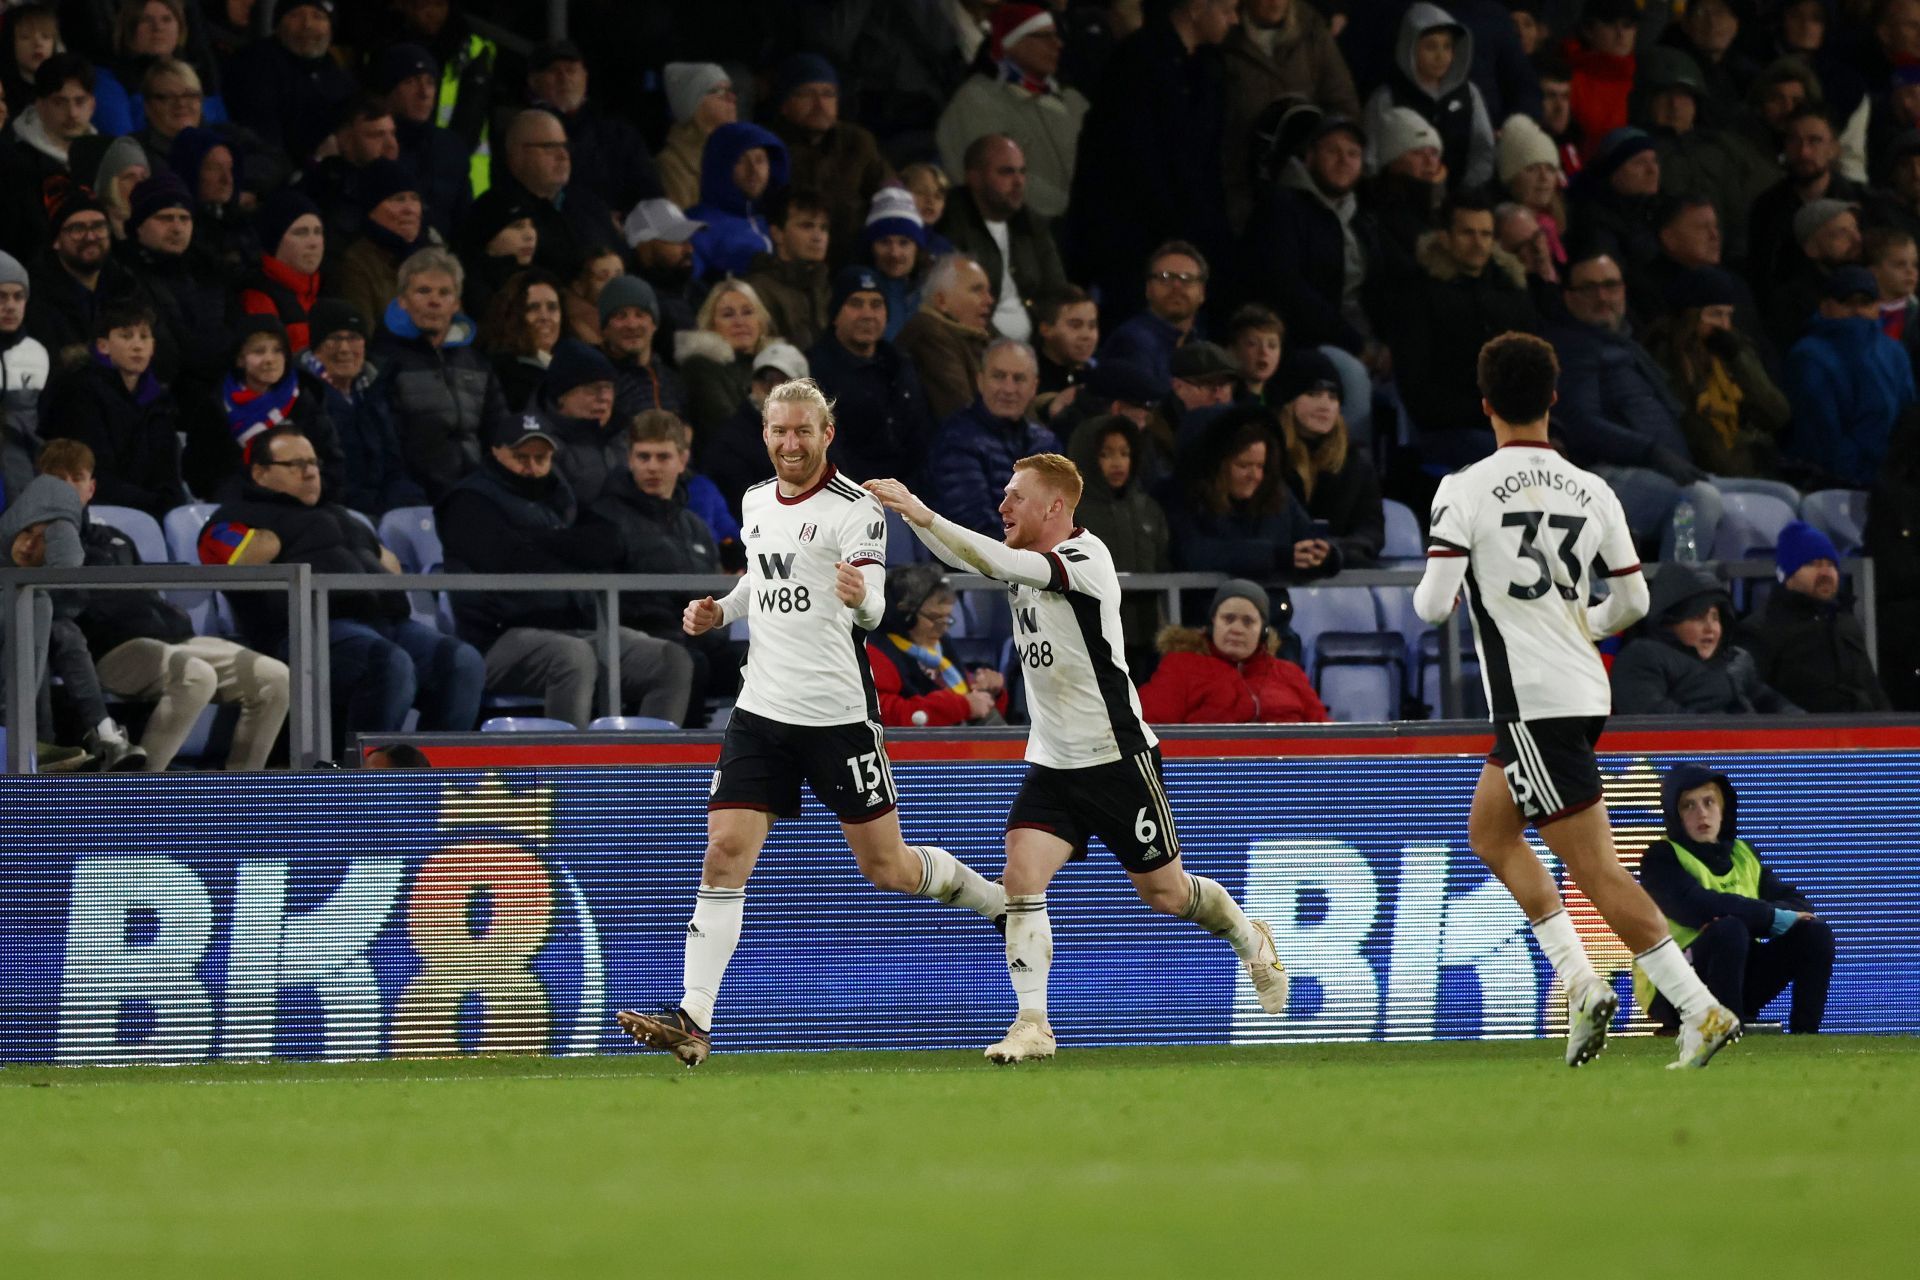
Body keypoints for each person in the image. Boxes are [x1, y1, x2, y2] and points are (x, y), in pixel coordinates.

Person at [614, 378, 1007, 1067]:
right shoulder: (755, 499)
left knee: (886, 867)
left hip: (836, 716)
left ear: (827, 435)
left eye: (803, 431)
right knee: (724, 854)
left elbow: (876, 605)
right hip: (761, 710)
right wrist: (719, 613)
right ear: (764, 434)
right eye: (778, 431)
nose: (789, 443)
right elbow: (760, 584)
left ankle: (995, 901)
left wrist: (860, 600)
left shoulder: (856, 510)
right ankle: (693, 1019)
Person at [865, 454, 1290, 1063]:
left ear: (1055, 508)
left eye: (1015, 497)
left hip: (1118, 758)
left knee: (1166, 894)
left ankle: (1251, 938)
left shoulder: (1086, 561)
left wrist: (921, 512)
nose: (1003, 506)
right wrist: (924, 525)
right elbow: (976, 557)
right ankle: (1033, 1025)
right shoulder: (1024, 562)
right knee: (1021, 877)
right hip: (1055, 761)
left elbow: (994, 559)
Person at [1414, 331, 1739, 1069]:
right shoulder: (1593, 488)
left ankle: (1699, 1007)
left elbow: (1434, 607)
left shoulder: (1461, 488)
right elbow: (1633, 599)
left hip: (1533, 700)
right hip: (1582, 688)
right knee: (1491, 834)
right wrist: (1575, 626)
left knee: (1595, 867)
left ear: (1487, 403)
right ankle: (1582, 982)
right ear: (1554, 401)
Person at [198, 424, 485, 746]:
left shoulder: (339, 515)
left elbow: (388, 564)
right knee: (388, 664)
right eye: (296, 465)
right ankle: (362, 781)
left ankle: (430, 777)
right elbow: (227, 562)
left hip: (385, 622)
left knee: (462, 661)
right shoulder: (233, 515)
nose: (310, 473)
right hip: (308, 630)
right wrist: (278, 537)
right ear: (260, 474)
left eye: (313, 463)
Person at [39, 437, 288, 770]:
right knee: (194, 676)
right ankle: (141, 793)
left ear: (91, 487)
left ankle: (239, 796)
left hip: (170, 637)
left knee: (275, 677)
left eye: (77, 479)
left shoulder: (116, 538)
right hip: (110, 648)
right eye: (59, 480)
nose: (69, 488)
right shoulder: (37, 541)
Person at [436, 415, 693, 730]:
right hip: (498, 637)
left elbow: (606, 544)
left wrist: (537, 543)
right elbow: (507, 559)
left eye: (540, 457)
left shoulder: (559, 496)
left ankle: (644, 771)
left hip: (571, 626)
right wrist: (562, 548)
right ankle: (569, 774)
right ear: (496, 451)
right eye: (521, 457)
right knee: (573, 657)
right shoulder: (470, 502)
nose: (531, 466)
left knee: (670, 661)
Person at [1635, 766, 1834, 1035]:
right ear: (1674, 814)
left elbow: (1798, 905)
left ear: (1723, 807)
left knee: (1814, 933)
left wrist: (1763, 916)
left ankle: (1806, 1037)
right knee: (1728, 930)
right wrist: (1769, 918)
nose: (1702, 813)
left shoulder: (1743, 853)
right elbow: (1700, 906)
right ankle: (1728, 1035)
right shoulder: (1660, 858)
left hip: (1735, 978)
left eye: (1709, 802)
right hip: (1672, 989)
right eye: (1688, 806)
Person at [1069, 0, 1238, 315]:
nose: (1235, 19)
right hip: (1132, 236)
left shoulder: (1210, 68)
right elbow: (1129, 158)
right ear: (1197, 7)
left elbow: (1208, 159)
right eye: (1228, 9)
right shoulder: (1137, 61)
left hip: (1190, 229)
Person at [585, 410, 739, 721]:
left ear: (682, 461)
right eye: (643, 457)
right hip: (640, 638)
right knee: (691, 662)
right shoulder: (605, 518)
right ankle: (687, 761)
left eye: (663, 457)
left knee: (755, 658)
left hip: (697, 637)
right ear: (630, 459)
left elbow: (711, 594)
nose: (652, 466)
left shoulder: (694, 527)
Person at [1393, 195, 1539, 463]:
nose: (1478, 243)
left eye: (1485, 234)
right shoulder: (1419, 295)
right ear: (1445, 237)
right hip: (1450, 431)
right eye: (1467, 233)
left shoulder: (1511, 289)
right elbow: (1417, 390)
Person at [370, 246, 514, 501]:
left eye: (444, 292)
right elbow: (384, 441)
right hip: (415, 498)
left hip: (477, 493)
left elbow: (500, 430)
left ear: (456, 304)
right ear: (402, 300)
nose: (434, 301)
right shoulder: (382, 360)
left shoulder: (477, 363)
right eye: (423, 291)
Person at [934, 5, 1088, 223]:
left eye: (1056, 35)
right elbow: (985, 181)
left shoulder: (1072, 101)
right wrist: (1068, 210)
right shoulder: (976, 102)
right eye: (1043, 37)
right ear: (1013, 43)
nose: (1057, 44)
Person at [1220, 0, 1360, 231]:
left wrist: (1327, 155)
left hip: (1309, 185)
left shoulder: (1311, 29)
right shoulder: (1226, 33)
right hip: (1243, 188)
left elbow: (1342, 101)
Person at [38, 299, 185, 519]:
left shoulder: (159, 401)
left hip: (150, 511)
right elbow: (94, 472)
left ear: (153, 346)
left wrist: (167, 504)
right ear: (103, 346)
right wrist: (154, 505)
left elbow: (168, 475)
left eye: (144, 337)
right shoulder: (80, 391)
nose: (137, 345)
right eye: (126, 336)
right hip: (97, 509)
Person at [1643, 267, 1791, 482]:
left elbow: (1777, 413)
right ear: (1690, 315)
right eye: (1714, 314)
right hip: (1707, 473)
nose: (1723, 325)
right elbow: (1693, 430)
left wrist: (1739, 360)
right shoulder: (1666, 355)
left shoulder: (1733, 350)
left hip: (1751, 464)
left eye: (1728, 315)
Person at [1169, 404, 1338, 582]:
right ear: (1215, 464)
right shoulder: (1181, 497)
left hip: (1272, 607)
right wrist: (1276, 557)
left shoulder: (1278, 495)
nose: (1255, 476)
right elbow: (1194, 553)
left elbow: (1309, 535)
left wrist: (1326, 555)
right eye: (1243, 466)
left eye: (1260, 466)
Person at [1734, 521, 1890, 713]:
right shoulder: (1760, 629)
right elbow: (1756, 699)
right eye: (1812, 565)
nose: (1825, 572)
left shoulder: (1844, 621)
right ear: (1788, 576)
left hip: (1865, 735)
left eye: (1831, 565)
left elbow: (1873, 690)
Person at [1786, 266, 1917, 488]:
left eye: (1865, 302)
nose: (1857, 310)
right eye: (1847, 302)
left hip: (1889, 479)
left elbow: (1909, 418)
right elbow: (1822, 438)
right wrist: (1865, 479)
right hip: (1831, 483)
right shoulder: (1809, 356)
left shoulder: (1894, 352)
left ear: (1877, 307)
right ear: (1826, 306)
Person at [1609, 563, 1798, 715]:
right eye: (1698, 617)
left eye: (1715, 618)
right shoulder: (1642, 657)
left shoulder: (1736, 661)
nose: (1710, 628)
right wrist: (1728, 736)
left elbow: (1772, 702)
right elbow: (1654, 725)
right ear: (1669, 621)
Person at [809, 265, 936, 486]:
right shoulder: (815, 369)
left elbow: (922, 434)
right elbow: (829, 450)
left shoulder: (900, 363)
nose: (867, 314)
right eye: (856, 304)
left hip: (910, 494)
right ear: (835, 314)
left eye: (876, 304)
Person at [934, 134, 1067, 343]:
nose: (1018, 181)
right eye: (1006, 172)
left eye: (1022, 172)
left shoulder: (1031, 223)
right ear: (974, 177)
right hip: (979, 346)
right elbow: (958, 308)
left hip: (1036, 348)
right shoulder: (951, 223)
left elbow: (1057, 291)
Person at [764, 54, 894, 267]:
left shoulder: (858, 142)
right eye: (807, 94)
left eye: (828, 94)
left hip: (853, 262)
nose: (820, 104)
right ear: (784, 104)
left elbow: (889, 192)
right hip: (788, 264)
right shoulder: (769, 147)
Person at [1139, 578, 1327, 724]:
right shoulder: (1180, 668)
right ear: (1213, 624)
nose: (1237, 629)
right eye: (1228, 619)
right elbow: (1151, 731)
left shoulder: (1289, 673)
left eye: (1248, 621)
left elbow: (1327, 734)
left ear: (1263, 631)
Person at [924, 338, 1062, 537]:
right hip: (972, 564)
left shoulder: (1047, 443)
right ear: (980, 381)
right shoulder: (957, 439)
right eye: (999, 376)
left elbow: (1061, 515)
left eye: (1019, 379)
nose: (1008, 389)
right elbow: (972, 526)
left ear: (1034, 387)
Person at [300, 297, 423, 517]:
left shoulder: (376, 389)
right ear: (316, 345)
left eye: (354, 338)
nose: (345, 348)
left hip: (383, 509)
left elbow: (395, 466)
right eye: (334, 338)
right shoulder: (301, 395)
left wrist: (407, 505)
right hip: (334, 514)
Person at [1065, 412, 1169, 666]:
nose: (1117, 463)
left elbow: (1164, 566)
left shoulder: (1148, 508)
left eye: (1125, 453)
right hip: (1088, 642)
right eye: (1106, 454)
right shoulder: (1069, 511)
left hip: (1145, 639)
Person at [520, 38, 659, 216]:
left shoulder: (619, 134)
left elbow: (650, 194)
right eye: (553, 71)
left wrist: (624, 222)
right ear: (534, 81)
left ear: (585, 76)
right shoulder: (520, 134)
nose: (564, 78)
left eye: (571, 70)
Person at [1364, 3, 1495, 191]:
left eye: (1447, 46)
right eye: (1430, 47)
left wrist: (1467, 192)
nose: (1440, 56)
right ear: (1410, 48)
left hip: (1459, 198)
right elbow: (1371, 158)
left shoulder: (1469, 94)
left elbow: (1483, 149)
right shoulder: (1387, 97)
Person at [1273, 349, 1383, 566]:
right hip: (1280, 571)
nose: (1324, 405)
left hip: (1340, 574)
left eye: (1332, 397)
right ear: (1289, 401)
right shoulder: (1268, 457)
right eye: (1313, 394)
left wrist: (1333, 550)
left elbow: (1371, 531)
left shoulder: (1356, 462)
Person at [865, 564, 1007, 728]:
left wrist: (989, 691)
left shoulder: (939, 642)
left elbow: (967, 698)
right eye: (934, 617)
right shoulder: (877, 652)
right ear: (904, 614)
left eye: (947, 617)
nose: (944, 627)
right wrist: (962, 706)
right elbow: (886, 715)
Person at [221, 0, 351, 165]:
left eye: (318, 16)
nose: (307, 25)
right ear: (278, 25)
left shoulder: (333, 69)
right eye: (295, 15)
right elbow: (264, 140)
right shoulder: (256, 64)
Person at [375, 43, 470, 241]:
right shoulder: (372, 142)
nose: (424, 93)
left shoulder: (451, 147)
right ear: (388, 90)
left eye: (430, 82)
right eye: (411, 82)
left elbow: (464, 220)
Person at [685, 120, 790, 282]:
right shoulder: (698, 225)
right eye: (740, 160)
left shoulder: (778, 218)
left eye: (760, 160)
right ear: (721, 166)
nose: (754, 170)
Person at [332, 159, 429, 336]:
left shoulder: (435, 257)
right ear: (371, 209)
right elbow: (362, 336)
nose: (410, 209)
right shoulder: (356, 263)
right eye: (398, 199)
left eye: (415, 199)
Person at [895, 253, 994, 422]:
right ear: (942, 301)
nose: (989, 300)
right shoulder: (930, 335)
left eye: (988, 291)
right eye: (977, 290)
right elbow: (960, 412)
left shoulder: (981, 334)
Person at [675, 277, 777, 438]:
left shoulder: (777, 364)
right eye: (728, 315)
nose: (740, 322)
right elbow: (729, 427)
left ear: (761, 321)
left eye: (747, 312)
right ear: (711, 325)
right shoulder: (700, 367)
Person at [1100, 241, 1209, 391]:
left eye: (1186, 278)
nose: (1176, 286)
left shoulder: (1200, 347)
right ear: (1148, 289)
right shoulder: (1130, 342)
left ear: (1202, 292)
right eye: (1165, 277)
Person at [743, 186, 832, 351]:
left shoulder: (825, 286)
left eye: (824, 228)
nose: (818, 236)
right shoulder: (756, 290)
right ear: (777, 234)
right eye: (807, 226)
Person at [238, 188, 325, 352]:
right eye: (301, 233)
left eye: (318, 232)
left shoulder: (318, 293)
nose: (314, 243)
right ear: (274, 241)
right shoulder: (258, 297)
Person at [0, 251, 52, 502]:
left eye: (18, 297)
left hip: (24, 477)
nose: (10, 305)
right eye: (1, 296)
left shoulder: (37, 354)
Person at [597, 275, 685, 421]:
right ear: (605, 328)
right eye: (620, 316)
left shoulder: (673, 381)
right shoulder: (597, 382)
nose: (632, 325)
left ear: (654, 324)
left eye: (640, 315)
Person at [479, 267, 565, 412]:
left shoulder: (568, 364)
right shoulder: (504, 373)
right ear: (511, 315)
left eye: (552, 307)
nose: (545, 317)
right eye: (532, 308)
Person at [656, 62, 735, 212]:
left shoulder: (735, 152)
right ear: (693, 104)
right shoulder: (672, 165)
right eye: (719, 91)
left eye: (729, 90)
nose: (732, 98)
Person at [860, 185, 929, 343]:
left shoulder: (932, 291)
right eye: (884, 242)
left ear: (917, 248)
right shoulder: (858, 294)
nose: (894, 253)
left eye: (904, 243)